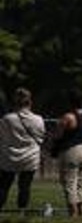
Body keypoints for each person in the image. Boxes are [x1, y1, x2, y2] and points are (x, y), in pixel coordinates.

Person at [50, 91, 82, 217]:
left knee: (70, 183)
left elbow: (57, 136)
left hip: (72, 151)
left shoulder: (68, 117)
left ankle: (73, 214)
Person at [0, 88, 46, 216]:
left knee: (3, 186)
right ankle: (22, 211)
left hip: (9, 156)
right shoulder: (38, 119)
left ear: (14, 103)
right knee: (25, 186)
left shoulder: (7, 119)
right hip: (30, 157)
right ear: (30, 102)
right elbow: (41, 137)